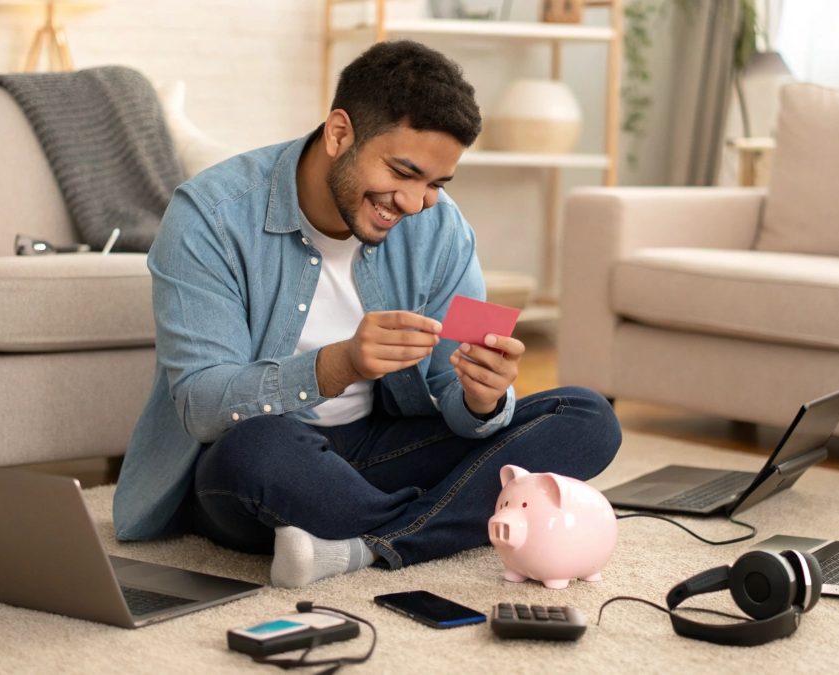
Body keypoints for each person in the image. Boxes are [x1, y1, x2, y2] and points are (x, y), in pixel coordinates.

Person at [113, 40, 621, 587]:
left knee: (587, 415)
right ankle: (449, 514)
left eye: (435, 183)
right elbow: (202, 404)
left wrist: (483, 397)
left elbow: (461, 387)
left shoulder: (443, 228)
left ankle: (364, 544)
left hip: (382, 449)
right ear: (339, 133)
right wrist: (340, 364)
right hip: (270, 462)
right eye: (402, 172)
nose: (415, 202)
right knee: (255, 449)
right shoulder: (208, 218)